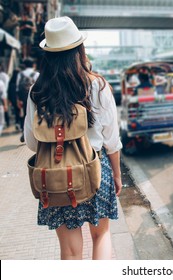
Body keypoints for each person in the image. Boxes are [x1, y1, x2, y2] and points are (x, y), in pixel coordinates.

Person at [24, 16, 123, 260]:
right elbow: (112, 139)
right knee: (101, 236)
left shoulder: (37, 92)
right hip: (96, 170)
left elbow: (32, 142)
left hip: (55, 175)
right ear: (80, 49)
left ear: (48, 55)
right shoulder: (97, 85)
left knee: (69, 252)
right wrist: (117, 174)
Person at [16, 58, 39, 142]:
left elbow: (17, 88)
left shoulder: (20, 74)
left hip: (22, 97)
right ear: (33, 65)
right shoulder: (36, 74)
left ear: (24, 66)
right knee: (33, 114)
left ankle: (24, 132)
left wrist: (18, 100)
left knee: (24, 115)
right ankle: (35, 133)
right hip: (33, 97)